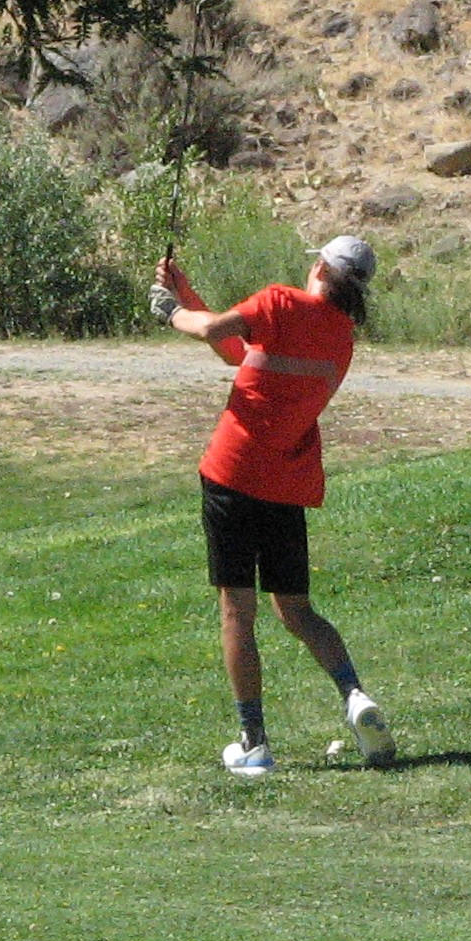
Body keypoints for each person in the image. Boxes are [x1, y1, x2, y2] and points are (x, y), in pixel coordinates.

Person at [151, 236, 396, 777]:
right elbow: (243, 356)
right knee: (297, 610)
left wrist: (171, 311)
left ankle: (254, 742)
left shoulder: (280, 302)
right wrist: (187, 292)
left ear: (318, 267)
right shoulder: (341, 338)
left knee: (238, 610)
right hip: (287, 483)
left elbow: (215, 331)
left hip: (232, 474)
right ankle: (354, 694)